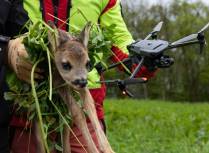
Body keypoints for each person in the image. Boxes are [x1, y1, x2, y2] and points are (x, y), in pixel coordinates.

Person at [0, 0, 158, 152]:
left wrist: (143, 57)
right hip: (28, 114)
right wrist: (6, 51)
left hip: (85, 116)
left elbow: (117, 38)